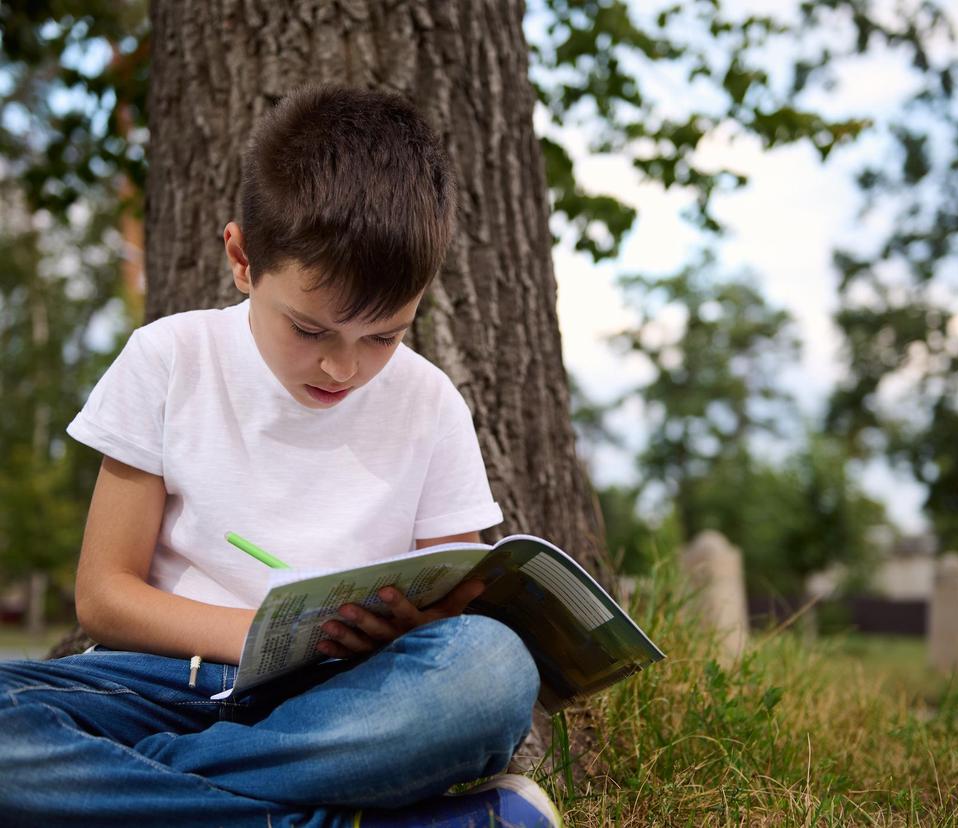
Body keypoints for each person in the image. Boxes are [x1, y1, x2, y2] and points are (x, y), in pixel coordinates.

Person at [0, 85, 562, 828]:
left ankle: (125, 797)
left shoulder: (431, 405)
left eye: (384, 336)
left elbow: (453, 609)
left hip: (340, 704)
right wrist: (261, 637)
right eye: (309, 329)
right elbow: (103, 596)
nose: (343, 368)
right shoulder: (171, 357)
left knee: (491, 669)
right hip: (150, 685)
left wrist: (401, 631)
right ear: (241, 258)